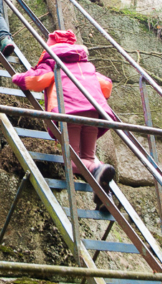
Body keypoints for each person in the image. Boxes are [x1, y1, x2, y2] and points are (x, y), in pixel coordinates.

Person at [11, 29, 116, 208]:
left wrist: (17, 78)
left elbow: (37, 80)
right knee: (88, 157)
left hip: (70, 112)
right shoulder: (86, 65)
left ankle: (97, 169)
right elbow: (106, 85)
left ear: (50, 47)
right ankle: (103, 194)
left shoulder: (54, 62)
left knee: (71, 162)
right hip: (94, 113)